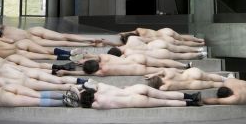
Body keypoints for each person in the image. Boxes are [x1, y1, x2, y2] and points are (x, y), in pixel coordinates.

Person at [78, 81, 201, 109]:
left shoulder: (97, 104)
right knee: (165, 95)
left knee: (166, 102)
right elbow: (89, 83)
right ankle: (191, 96)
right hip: (135, 89)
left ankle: (193, 103)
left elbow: (88, 104)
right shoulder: (101, 86)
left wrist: (81, 98)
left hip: (134, 100)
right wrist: (80, 89)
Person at [55, 53, 192, 77]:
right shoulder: (104, 58)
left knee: (161, 68)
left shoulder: (103, 71)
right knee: (162, 62)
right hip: (135, 58)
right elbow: (92, 56)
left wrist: (66, 72)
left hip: (136, 69)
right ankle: (184, 65)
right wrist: (84, 59)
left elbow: (83, 73)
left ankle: (184, 72)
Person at [0, 81, 76, 107]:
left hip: (3, 98)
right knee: (38, 94)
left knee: (37, 101)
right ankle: (64, 95)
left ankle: (64, 102)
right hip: (6, 88)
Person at [0, 24, 100, 45]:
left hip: (31, 39)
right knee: (63, 36)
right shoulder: (5, 27)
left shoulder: (4, 37)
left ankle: (89, 43)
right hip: (32, 31)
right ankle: (90, 39)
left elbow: (11, 41)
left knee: (63, 41)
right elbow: (2, 25)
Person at [146, 67, 231, 91]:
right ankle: (228, 79)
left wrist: (153, 86)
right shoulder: (168, 73)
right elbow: (163, 70)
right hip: (191, 74)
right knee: (210, 77)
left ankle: (230, 84)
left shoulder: (164, 87)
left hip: (192, 85)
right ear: (158, 77)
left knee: (212, 84)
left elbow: (156, 90)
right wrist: (153, 74)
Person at [119, 28, 205, 46]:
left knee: (183, 43)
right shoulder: (140, 30)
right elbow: (130, 32)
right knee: (182, 37)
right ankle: (199, 39)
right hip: (166, 31)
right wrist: (122, 33)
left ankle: (200, 44)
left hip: (165, 39)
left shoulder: (141, 39)